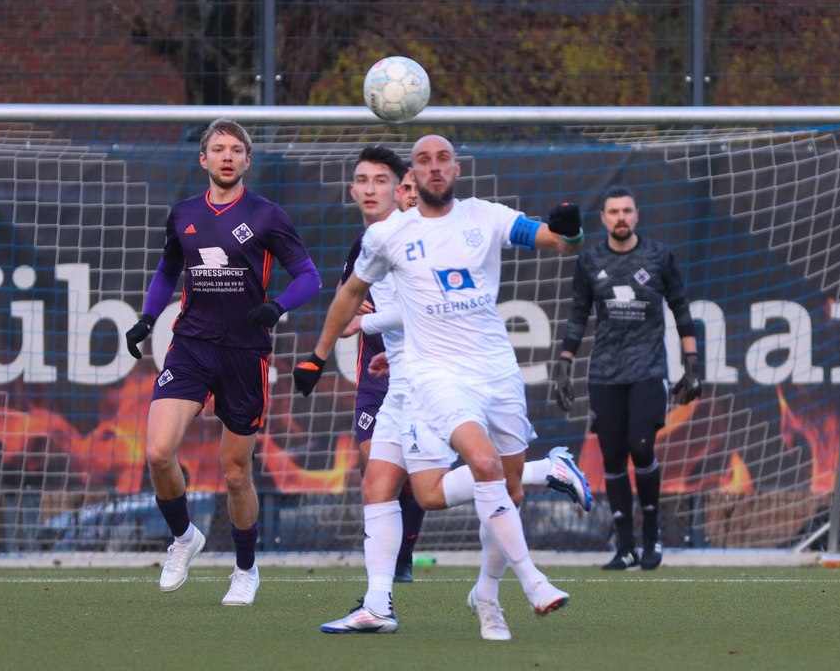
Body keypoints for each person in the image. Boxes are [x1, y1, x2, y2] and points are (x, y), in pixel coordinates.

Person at [294, 134, 588, 640]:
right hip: (427, 377)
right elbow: (353, 297)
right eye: (419, 163)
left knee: (474, 489)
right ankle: (383, 603)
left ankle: (493, 582)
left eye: (440, 160)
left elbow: (552, 240)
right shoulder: (383, 240)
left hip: (487, 373)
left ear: (455, 169)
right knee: (389, 481)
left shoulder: (483, 217)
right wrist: (317, 356)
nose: (427, 172)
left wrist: (571, 233)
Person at [124, 118, 321, 605]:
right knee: (157, 452)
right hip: (190, 345)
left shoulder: (268, 215)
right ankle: (184, 537)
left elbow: (310, 278)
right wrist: (149, 318)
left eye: (236, 149)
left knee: (235, 473)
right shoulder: (184, 214)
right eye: (218, 148)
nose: (227, 156)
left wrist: (277, 307)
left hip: (244, 353)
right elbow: (169, 267)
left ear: (247, 161)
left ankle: (246, 568)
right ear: (203, 159)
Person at [551, 185, 701, 571]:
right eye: (613, 211)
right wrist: (564, 364)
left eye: (627, 211)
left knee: (641, 447)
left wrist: (692, 363)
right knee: (613, 458)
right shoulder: (590, 259)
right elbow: (578, 313)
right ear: (603, 218)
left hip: (648, 370)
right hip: (604, 373)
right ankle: (625, 547)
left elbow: (681, 308)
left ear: (637, 215)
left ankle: (652, 536)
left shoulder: (657, 256)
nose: (621, 217)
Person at [337, 149, 427, 583]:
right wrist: (355, 309)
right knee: (370, 464)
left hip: (420, 372)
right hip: (375, 375)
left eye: (404, 186)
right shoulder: (364, 243)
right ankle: (382, 576)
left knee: (417, 475)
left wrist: (368, 317)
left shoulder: (424, 240)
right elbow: (346, 300)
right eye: (363, 180)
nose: (405, 194)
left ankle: (401, 554)